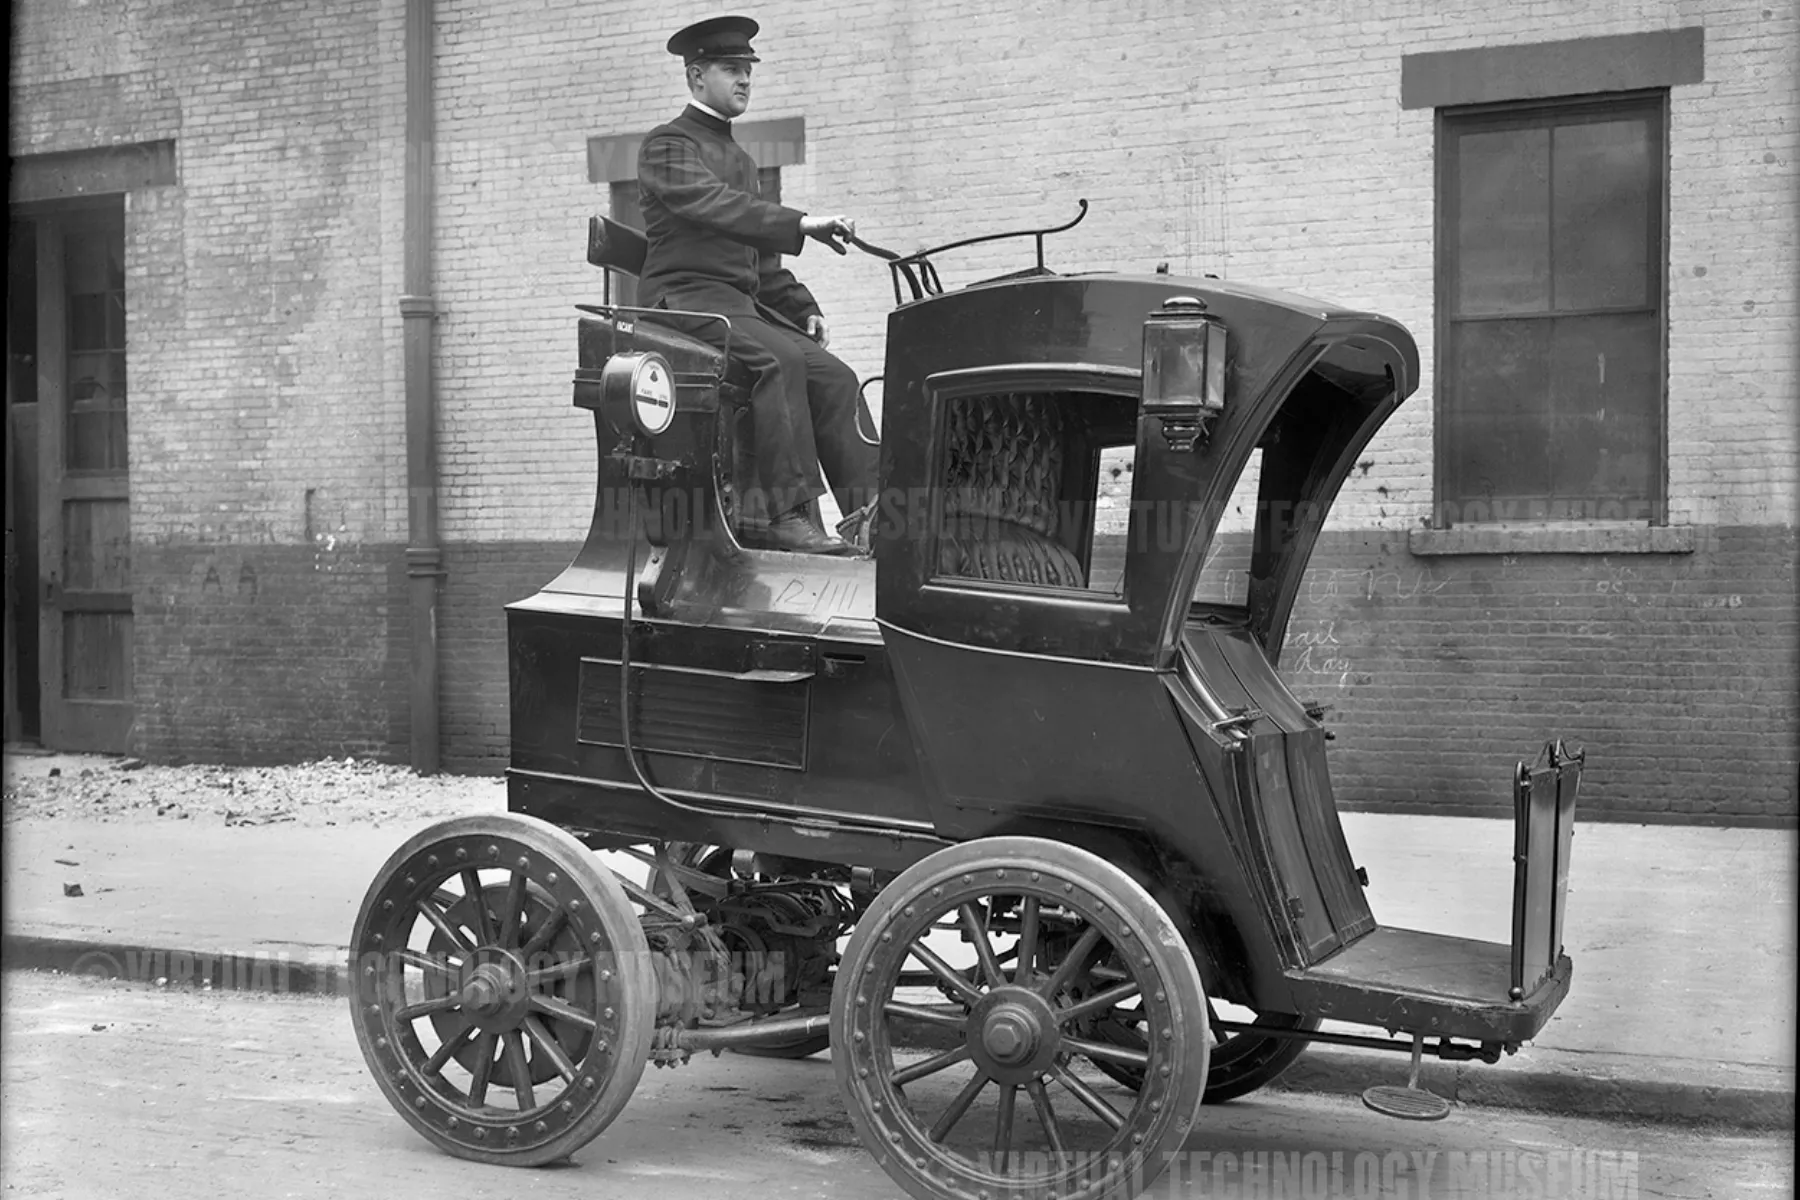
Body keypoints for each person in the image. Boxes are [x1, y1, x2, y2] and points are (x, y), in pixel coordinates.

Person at [636, 15, 877, 556]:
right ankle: (782, 516)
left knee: (836, 375)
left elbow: (760, 262)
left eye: (748, 69)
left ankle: (873, 514)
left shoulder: (743, 161)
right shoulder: (667, 146)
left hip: (739, 308)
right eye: (730, 69)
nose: (744, 80)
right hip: (685, 304)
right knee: (780, 362)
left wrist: (800, 306)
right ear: (696, 77)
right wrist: (799, 223)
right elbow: (716, 207)